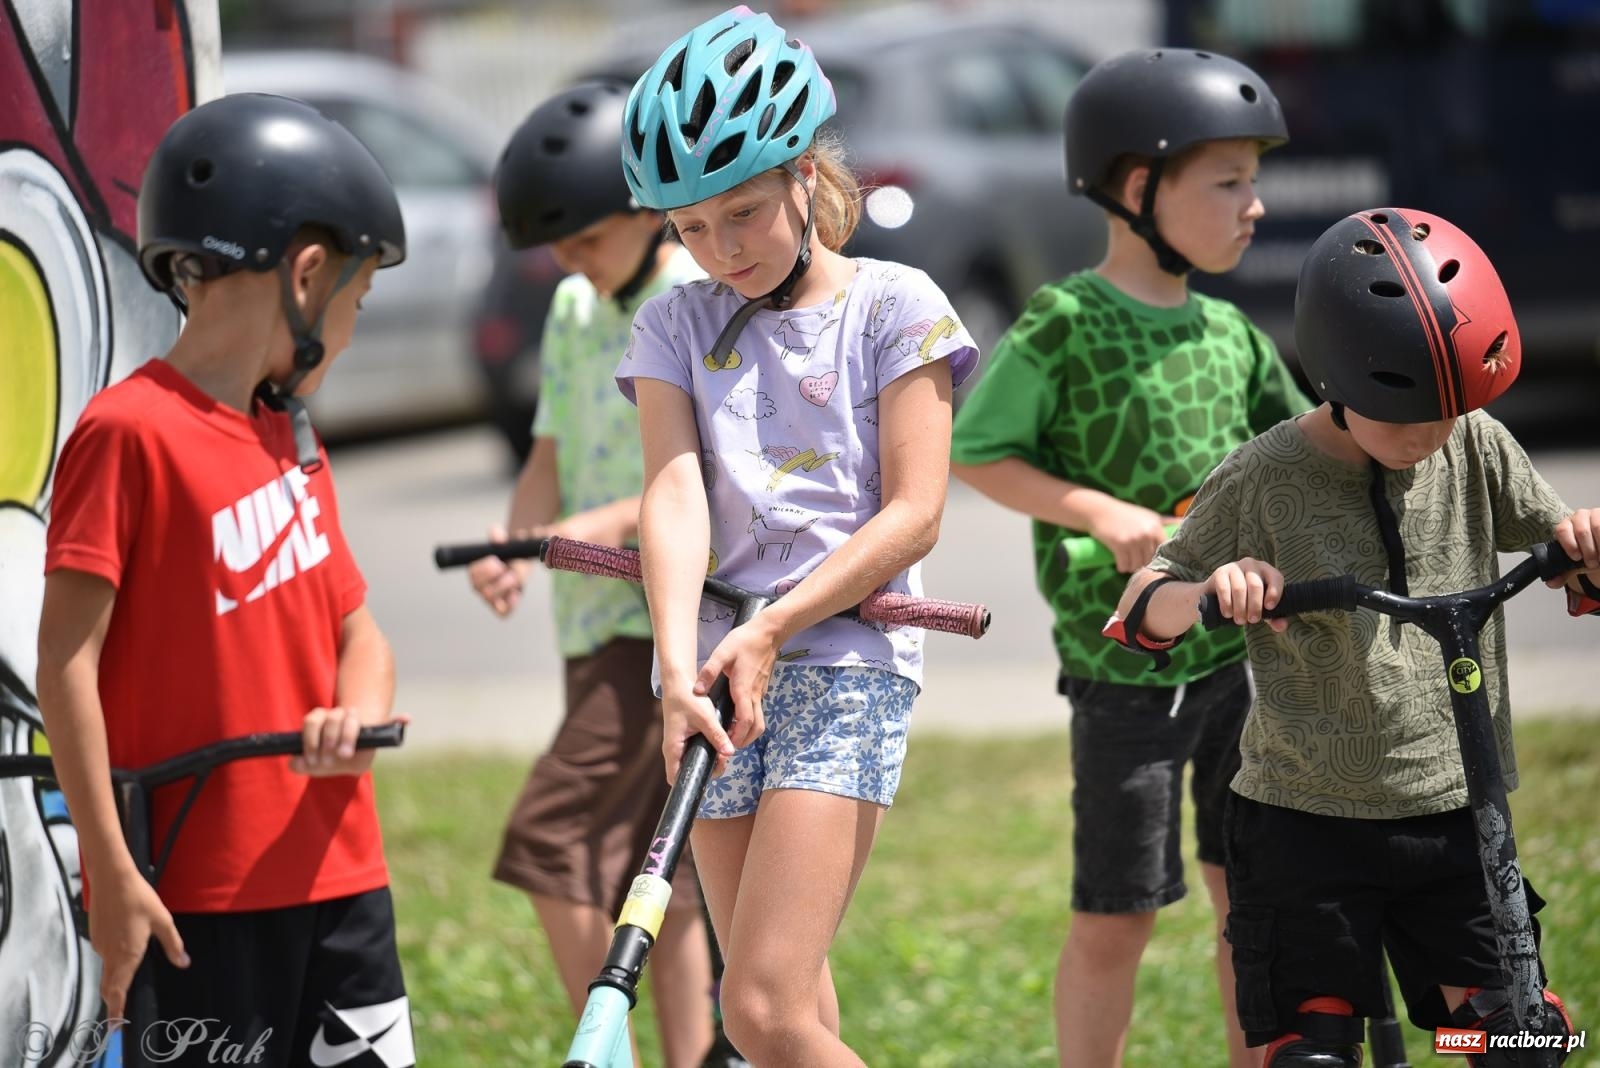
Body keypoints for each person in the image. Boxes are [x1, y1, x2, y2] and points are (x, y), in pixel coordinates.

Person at [1107, 207, 1597, 1066]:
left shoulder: (1471, 442)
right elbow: (1142, 608)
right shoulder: (1263, 476)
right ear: (1335, 376)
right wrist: (1213, 593)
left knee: (1521, 1041)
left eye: (1447, 414)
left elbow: (1563, 552)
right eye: (1403, 417)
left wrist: (1585, 547)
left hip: (1457, 815)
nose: (1428, 438)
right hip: (1305, 824)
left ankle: (1442, 1039)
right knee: (1311, 1053)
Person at [614, 7, 978, 1064]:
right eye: (686, 229)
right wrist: (678, 668)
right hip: (712, 673)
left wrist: (772, 630)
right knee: (796, 1002)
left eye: (739, 215)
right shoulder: (671, 325)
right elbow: (673, 493)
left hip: (842, 657)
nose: (717, 251)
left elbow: (915, 512)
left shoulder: (894, 306)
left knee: (758, 1010)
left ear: (804, 179)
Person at [948, 47, 1311, 1067]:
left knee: (1256, 901)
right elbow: (974, 450)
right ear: (1138, 187)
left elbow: (1304, 455)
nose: (1253, 204)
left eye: (1253, 181)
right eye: (1228, 182)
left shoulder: (1230, 334)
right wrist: (1098, 512)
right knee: (1119, 917)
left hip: (1239, 664)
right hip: (1126, 680)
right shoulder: (1065, 324)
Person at [36, 94, 414, 1066]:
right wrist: (110, 875)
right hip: (194, 898)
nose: (353, 330)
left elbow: (358, 630)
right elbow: (64, 667)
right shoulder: (128, 433)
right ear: (307, 273)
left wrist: (356, 717)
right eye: (356, 305)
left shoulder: (291, 437)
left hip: (341, 877)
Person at [464, 79, 717, 1068]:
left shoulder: (689, 304)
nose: (569, 263)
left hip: (658, 624)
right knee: (666, 869)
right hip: (585, 625)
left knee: (550, 838)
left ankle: (602, 1050)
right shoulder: (573, 307)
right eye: (556, 247)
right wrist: (513, 543)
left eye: (586, 239)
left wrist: (573, 529)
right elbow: (549, 450)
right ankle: (691, 1057)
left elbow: (684, 479)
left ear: (650, 207)